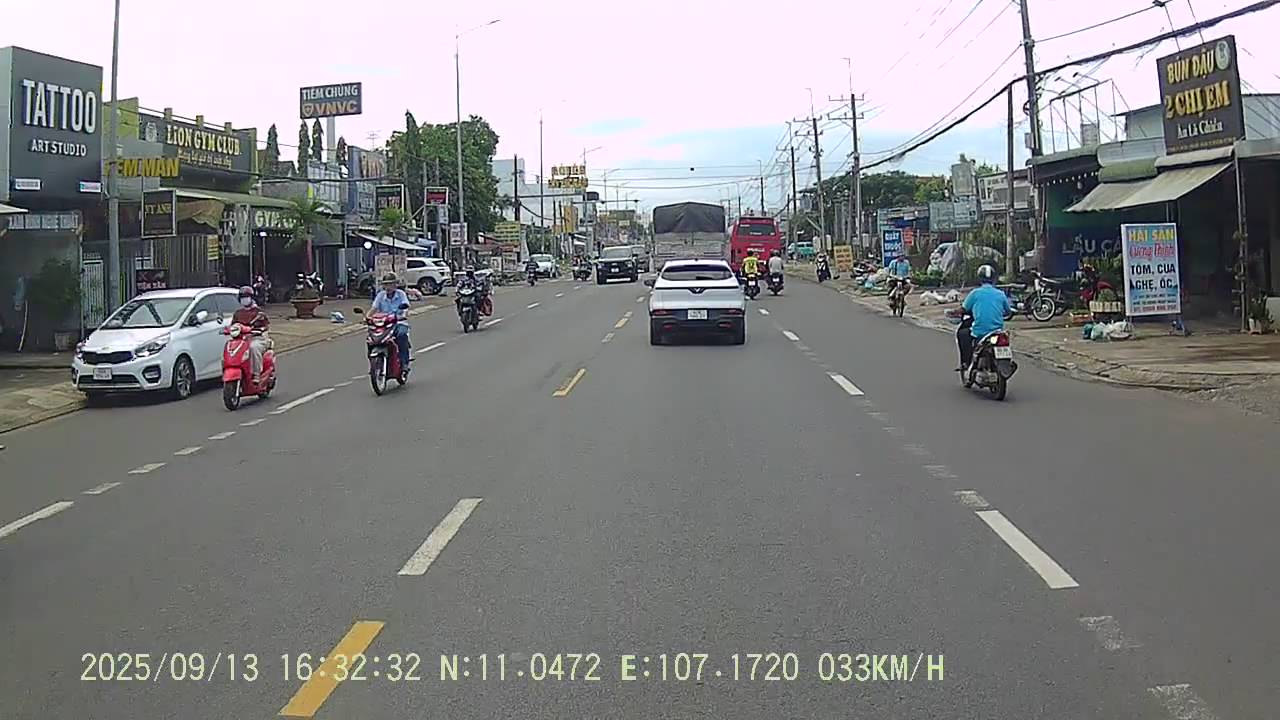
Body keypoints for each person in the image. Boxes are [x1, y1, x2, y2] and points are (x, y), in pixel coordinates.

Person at [956, 264, 1011, 371]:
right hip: (997, 331)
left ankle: (965, 362)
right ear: (994, 279)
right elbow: (1008, 311)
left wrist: (953, 312)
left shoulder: (975, 293)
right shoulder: (1000, 294)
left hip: (980, 331)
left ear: (979, 278)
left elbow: (963, 309)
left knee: (962, 334)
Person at [369, 273, 411, 370]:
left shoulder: (401, 294)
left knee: (401, 335)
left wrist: (403, 315)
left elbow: (405, 307)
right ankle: (373, 364)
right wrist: (367, 317)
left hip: (398, 323)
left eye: (391, 284)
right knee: (371, 339)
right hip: (384, 324)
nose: (388, 287)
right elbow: (374, 308)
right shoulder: (380, 295)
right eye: (386, 284)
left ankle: (404, 362)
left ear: (396, 284)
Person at [231, 285, 271, 382]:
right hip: (241, 339)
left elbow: (265, 325)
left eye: (246, 297)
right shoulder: (238, 313)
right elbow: (233, 325)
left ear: (252, 298)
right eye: (242, 297)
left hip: (257, 338)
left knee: (254, 347)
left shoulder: (258, 312)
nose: (244, 299)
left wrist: (259, 329)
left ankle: (256, 374)